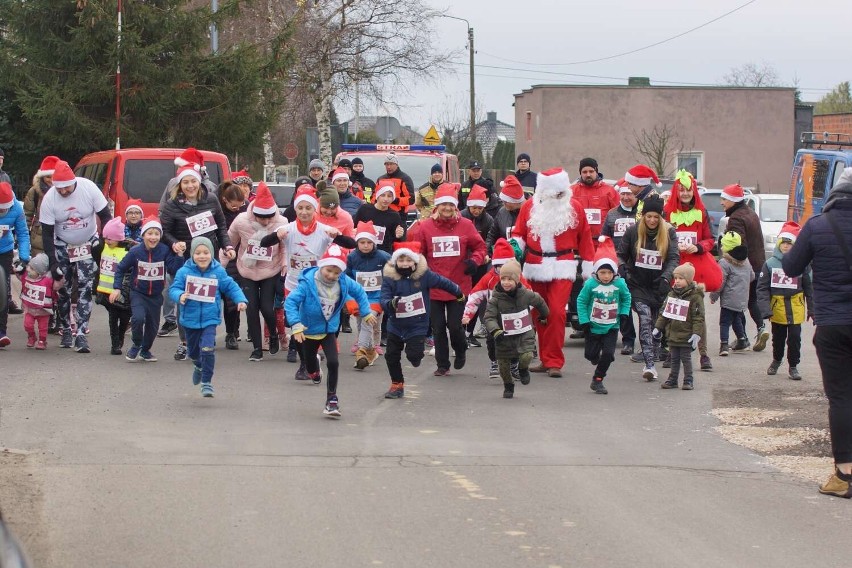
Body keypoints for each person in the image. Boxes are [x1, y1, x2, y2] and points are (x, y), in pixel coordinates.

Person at [781, 178, 852, 498]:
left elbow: (792, 265)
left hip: (833, 325)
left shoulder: (818, 225)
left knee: (841, 398)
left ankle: (844, 476)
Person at [259, 185, 356, 380]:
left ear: (315, 210)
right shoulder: (287, 229)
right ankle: (305, 362)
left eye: (308, 208)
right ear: (295, 209)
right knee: (296, 324)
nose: (304, 212)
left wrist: (337, 235)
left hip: (317, 287)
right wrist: (275, 236)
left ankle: (309, 360)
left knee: (311, 325)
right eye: (300, 208)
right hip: (294, 286)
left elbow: (351, 244)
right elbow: (264, 243)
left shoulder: (323, 230)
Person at [509, 168, 596, 377]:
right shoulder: (530, 206)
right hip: (535, 264)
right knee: (539, 313)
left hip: (562, 265)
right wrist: (512, 252)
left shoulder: (573, 207)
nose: (557, 196)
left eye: (560, 192)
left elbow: (585, 237)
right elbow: (519, 232)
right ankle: (546, 358)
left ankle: (555, 361)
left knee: (556, 312)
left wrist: (589, 268)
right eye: (553, 192)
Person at [285, 245, 374, 417]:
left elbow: (360, 292)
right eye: (329, 270)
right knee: (310, 366)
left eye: (336, 272)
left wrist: (366, 311)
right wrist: (295, 324)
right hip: (307, 330)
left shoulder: (344, 281)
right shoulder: (308, 283)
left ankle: (332, 400)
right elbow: (291, 302)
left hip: (328, 330)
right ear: (321, 266)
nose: (332, 275)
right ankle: (314, 370)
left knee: (334, 362)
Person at [409, 183, 487, 375]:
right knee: (437, 328)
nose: (447, 209)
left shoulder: (466, 225)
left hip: (458, 285)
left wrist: (474, 261)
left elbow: (480, 248)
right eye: (444, 205)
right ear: (437, 206)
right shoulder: (425, 227)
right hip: (434, 285)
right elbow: (418, 253)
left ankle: (460, 350)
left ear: (455, 206)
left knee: (454, 325)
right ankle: (442, 364)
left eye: (451, 205)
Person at [160, 164, 235, 361]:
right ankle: (185, 342)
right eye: (186, 182)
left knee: (210, 296)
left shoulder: (210, 199)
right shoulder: (172, 204)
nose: (190, 185)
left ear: (199, 182)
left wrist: (227, 246)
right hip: (185, 259)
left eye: (193, 181)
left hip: (208, 257)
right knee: (185, 298)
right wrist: (174, 243)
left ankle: (206, 338)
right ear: (179, 184)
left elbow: (221, 226)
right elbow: (164, 232)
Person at [39, 160, 112, 352]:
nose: (63, 192)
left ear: (74, 181)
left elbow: (106, 216)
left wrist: (103, 242)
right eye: (59, 188)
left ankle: (81, 332)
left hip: (87, 243)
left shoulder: (88, 188)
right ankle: (66, 328)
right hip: (62, 244)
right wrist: (53, 262)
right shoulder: (50, 199)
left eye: (66, 188)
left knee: (85, 288)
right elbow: (46, 233)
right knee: (63, 289)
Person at [380, 241, 462, 399]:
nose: (404, 264)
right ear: (395, 261)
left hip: (417, 325)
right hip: (395, 325)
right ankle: (397, 384)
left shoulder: (424, 276)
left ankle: (416, 357)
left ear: (415, 262)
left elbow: (442, 282)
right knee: (391, 355)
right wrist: (390, 304)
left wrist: (458, 292)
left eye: (408, 260)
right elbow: (383, 298)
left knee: (413, 355)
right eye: (401, 260)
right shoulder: (390, 278)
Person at [171, 236, 247, 397]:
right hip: (189, 319)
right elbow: (174, 288)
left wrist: (240, 299)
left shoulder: (218, 271)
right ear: (192, 254)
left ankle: (206, 382)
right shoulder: (184, 272)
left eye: (206, 252)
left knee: (207, 349)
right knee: (193, 353)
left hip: (209, 319)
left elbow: (231, 286)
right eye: (198, 253)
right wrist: (180, 295)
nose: (202, 256)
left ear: (211, 254)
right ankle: (198, 366)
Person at [663, 170, 722, 371]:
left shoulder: (702, 212)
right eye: (681, 190)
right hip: (675, 265)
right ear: (676, 191)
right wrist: (673, 246)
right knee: (674, 310)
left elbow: (710, 239)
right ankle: (673, 351)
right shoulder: (668, 212)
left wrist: (698, 247)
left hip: (696, 267)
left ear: (694, 191)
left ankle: (703, 355)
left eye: (689, 189)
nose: (685, 193)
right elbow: (662, 238)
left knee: (697, 312)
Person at [617, 195, 680, 381]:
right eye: (648, 216)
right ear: (643, 216)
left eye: (656, 217)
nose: (652, 220)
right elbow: (621, 254)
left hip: (659, 285)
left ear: (661, 218)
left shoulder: (669, 233)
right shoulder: (632, 231)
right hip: (638, 285)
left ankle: (658, 347)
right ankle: (650, 365)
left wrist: (666, 278)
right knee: (644, 320)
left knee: (656, 325)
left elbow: (674, 258)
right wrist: (624, 272)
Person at [112, 217, 185, 362]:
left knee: (153, 327)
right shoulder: (135, 251)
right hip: (138, 292)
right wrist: (117, 288)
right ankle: (137, 344)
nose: (153, 237)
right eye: (150, 233)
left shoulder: (164, 250)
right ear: (143, 235)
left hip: (156, 295)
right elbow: (120, 269)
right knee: (138, 319)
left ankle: (145, 350)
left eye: (156, 234)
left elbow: (173, 268)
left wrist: (179, 256)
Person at [227, 182, 286, 361]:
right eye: (261, 218)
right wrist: (220, 266)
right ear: (254, 214)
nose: (265, 221)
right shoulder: (241, 221)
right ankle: (257, 349)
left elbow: (285, 247)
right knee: (251, 308)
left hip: (271, 270)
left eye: (268, 218)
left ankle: (273, 335)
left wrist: (284, 264)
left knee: (267, 308)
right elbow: (229, 243)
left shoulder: (282, 223)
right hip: (247, 270)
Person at [484, 259, 549, 399]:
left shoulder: (526, 294)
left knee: (528, 355)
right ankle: (508, 385)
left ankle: (523, 369)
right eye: (503, 279)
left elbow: (540, 301)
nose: (506, 282)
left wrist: (544, 315)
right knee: (503, 365)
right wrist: (495, 330)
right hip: (504, 335)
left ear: (517, 280)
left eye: (510, 279)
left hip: (524, 333)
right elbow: (489, 318)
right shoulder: (495, 298)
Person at [757, 221, 812, 380]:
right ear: (779, 244)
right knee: (778, 338)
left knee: (795, 338)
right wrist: (765, 309)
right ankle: (776, 360)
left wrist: (813, 309)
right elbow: (762, 288)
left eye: (790, 243)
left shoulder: (803, 264)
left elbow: (809, 288)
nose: (786, 246)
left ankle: (793, 366)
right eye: (783, 243)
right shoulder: (770, 264)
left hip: (796, 308)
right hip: (777, 309)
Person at [577, 237, 632, 395]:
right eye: (603, 272)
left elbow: (627, 298)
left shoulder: (619, 284)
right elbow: (581, 301)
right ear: (596, 272)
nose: (606, 276)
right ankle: (598, 357)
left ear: (614, 272)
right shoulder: (590, 284)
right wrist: (584, 321)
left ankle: (598, 379)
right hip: (593, 325)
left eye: (609, 272)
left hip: (611, 326)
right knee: (590, 355)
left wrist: (624, 314)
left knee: (608, 354)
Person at [462, 238, 523, 380]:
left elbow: (530, 296)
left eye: (506, 265)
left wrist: (528, 313)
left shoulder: (519, 277)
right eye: (499, 266)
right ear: (494, 265)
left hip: (513, 317)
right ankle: (494, 362)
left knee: (514, 343)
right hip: (493, 316)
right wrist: (468, 315)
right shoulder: (488, 278)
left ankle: (514, 364)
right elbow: (474, 297)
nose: (503, 270)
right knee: (491, 340)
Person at [720, 183, 768, 351]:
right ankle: (760, 328)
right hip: (758, 264)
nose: (721, 202)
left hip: (743, 266)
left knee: (735, 302)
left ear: (733, 200)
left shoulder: (736, 218)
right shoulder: (750, 212)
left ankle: (743, 338)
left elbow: (738, 246)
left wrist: (724, 246)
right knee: (750, 300)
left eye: (725, 199)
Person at [346, 221, 391, 369]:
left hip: (376, 297)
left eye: (369, 242)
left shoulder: (383, 257)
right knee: (361, 324)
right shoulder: (352, 257)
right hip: (359, 297)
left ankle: (361, 351)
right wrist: (349, 298)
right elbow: (347, 279)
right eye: (362, 242)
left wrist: (387, 295)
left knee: (367, 320)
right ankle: (371, 350)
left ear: (374, 243)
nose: (365, 245)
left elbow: (391, 276)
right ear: (357, 243)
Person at [652, 262, 705, 390]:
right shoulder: (671, 294)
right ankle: (672, 379)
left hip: (686, 334)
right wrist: (658, 327)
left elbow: (699, 317)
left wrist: (696, 333)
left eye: (681, 278)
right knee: (674, 359)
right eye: (676, 278)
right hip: (673, 334)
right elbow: (664, 313)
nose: (677, 281)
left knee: (686, 359)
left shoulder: (695, 297)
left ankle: (688, 380)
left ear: (688, 279)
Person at [601, 180, 639, 355]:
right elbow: (604, 238)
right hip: (619, 265)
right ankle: (628, 340)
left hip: (640, 264)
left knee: (641, 303)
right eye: (623, 194)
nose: (626, 197)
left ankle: (653, 338)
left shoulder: (641, 213)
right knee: (624, 301)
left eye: (629, 194)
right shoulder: (612, 214)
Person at [709, 231, 754, 357]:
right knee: (736, 319)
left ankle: (724, 345)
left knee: (724, 322)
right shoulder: (746, 260)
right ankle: (742, 339)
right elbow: (752, 276)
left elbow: (720, 281)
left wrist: (714, 295)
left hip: (729, 299)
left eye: (723, 245)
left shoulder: (724, 262)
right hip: (743, 298)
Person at [217, 181, 248, 350]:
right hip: (217, 254)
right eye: (233, 206)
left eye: (240, 205)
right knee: (212, 298)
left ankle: (232, 332)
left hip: (238, 256)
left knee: (232, 297)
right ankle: (207, 331)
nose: (237, 208)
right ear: (224, 200)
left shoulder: (246, 209)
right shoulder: (216, 209)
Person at [0, 181, 31, 347]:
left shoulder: (17, 208)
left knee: (3, 291)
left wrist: (24, 257)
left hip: (5, 251)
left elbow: (23, 233)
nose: (3, 212)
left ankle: (1, 332)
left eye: (5, 209)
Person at [96, 217, 132, 355]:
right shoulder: (102, 247)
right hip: (106, 292)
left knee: (124, 318)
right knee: (113, 318)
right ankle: (115, 344)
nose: (107, 241)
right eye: (105, 238)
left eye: (110, 238)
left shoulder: (127, 251)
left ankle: (121, 336)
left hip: (123, 292)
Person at [571, 158, 619, 242]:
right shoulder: (571, 191)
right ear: (580, 173)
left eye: (591, 171)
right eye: (584, 172)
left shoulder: (609, 191)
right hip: (579, 242)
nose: (588, 174)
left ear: (596, 171)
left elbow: (619, 213)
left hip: (602, 241)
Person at [351, 183, 407, 254]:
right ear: (377, 196)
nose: (386, 199)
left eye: (389, 196)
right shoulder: (365, 209)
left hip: (384, 253)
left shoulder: (394, 215)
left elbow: (396, 240)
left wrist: (399, 235)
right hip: (363, 251)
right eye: (383, 195)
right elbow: (354, 227)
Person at [24, 155, 59, 257]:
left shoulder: (64, 191)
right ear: (42, 177)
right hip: (39, 239)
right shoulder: (34, 191)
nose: (51, 180)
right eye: (48, 177)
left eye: (54, 176)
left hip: (60, 236)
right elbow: (26, 216)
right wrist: (25, 239)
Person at [17, 253, 53, 350]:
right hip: (29, 308)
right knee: (27, 325)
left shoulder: (47, 280)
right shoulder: (26, 277)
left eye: (32, 268)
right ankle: (31, 336)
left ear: (40, 272)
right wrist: (18, 270)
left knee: (43, 328)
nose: (28, 269)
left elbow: (57, 285)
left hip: (44, 310)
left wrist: (60, 276)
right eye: (29, 266)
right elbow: (19, 276)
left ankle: (42, 340)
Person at [486, 174, 526, 250]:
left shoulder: (529, 214)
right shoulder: (502, 212)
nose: (503, 204)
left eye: (506, 202)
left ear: (515, 201)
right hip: (504, 256)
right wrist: (487, 252)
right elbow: (492, 235)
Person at [375, 153, 413, 222]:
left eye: (391, 164)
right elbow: (375, 197)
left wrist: (395, 200)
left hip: (399, 217)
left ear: (397, 164)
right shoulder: (380, 179)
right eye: (387, 164)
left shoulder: (404, 178)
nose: (389, 167)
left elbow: (411, 199)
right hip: (381, 215)